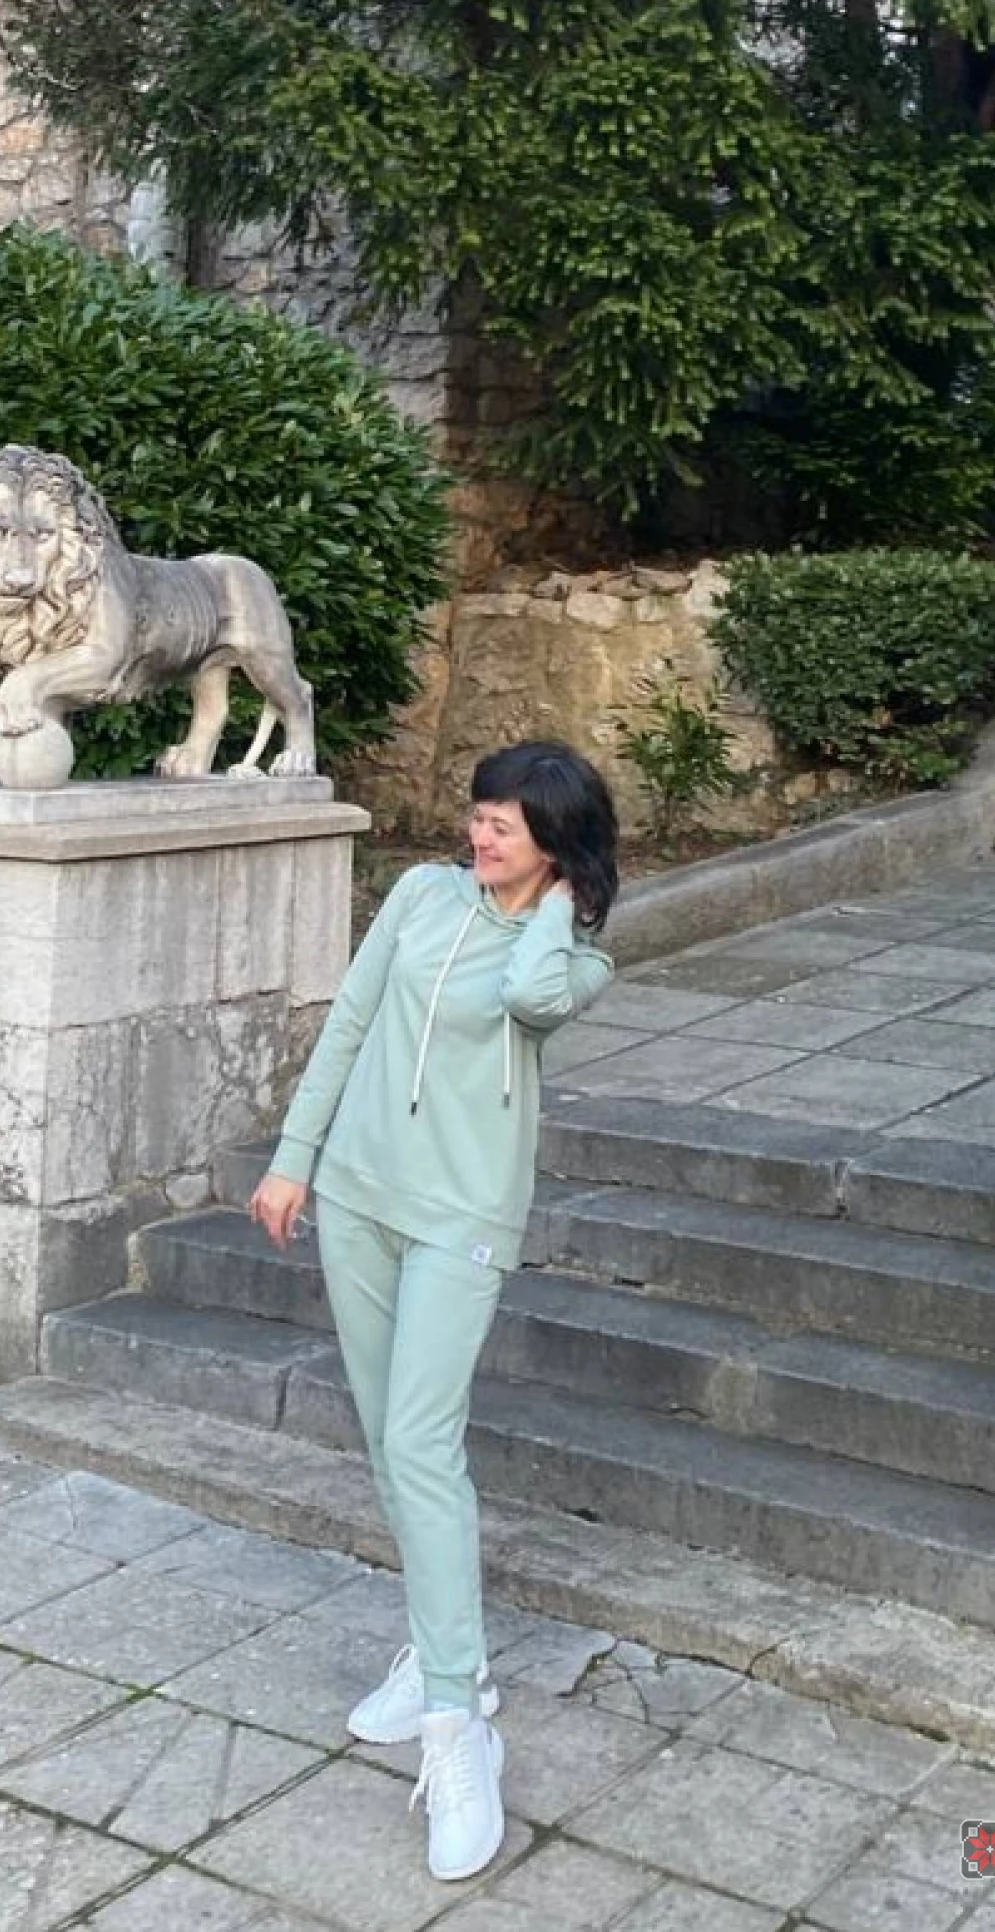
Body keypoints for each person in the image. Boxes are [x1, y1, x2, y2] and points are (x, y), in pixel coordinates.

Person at [249, 739, 617, 1881]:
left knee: (418, 1440)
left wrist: (550, 904)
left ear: (555, 842)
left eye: (506, 823)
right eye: (479, 814)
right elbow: (350, 1023)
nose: (479, 834)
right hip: (357, 1198)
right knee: (388, 1442)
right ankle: (435, 1648)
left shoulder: (572, 958)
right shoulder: (417, 895)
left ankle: (458, 1724)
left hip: (461, 1217)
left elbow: (528, 998)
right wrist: (294, 1157)